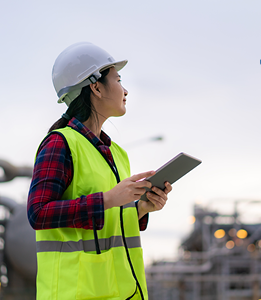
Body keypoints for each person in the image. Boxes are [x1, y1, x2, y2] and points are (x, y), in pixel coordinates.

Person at [27, 42, 171, 300]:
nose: (125, 90)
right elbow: (38, 213)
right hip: (74, 293)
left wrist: (141, 208)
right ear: (95, 86)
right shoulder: (60, 143)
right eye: (118, 79)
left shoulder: (118, 154)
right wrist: (109, 199)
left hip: (123, 292)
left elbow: (108, 224)